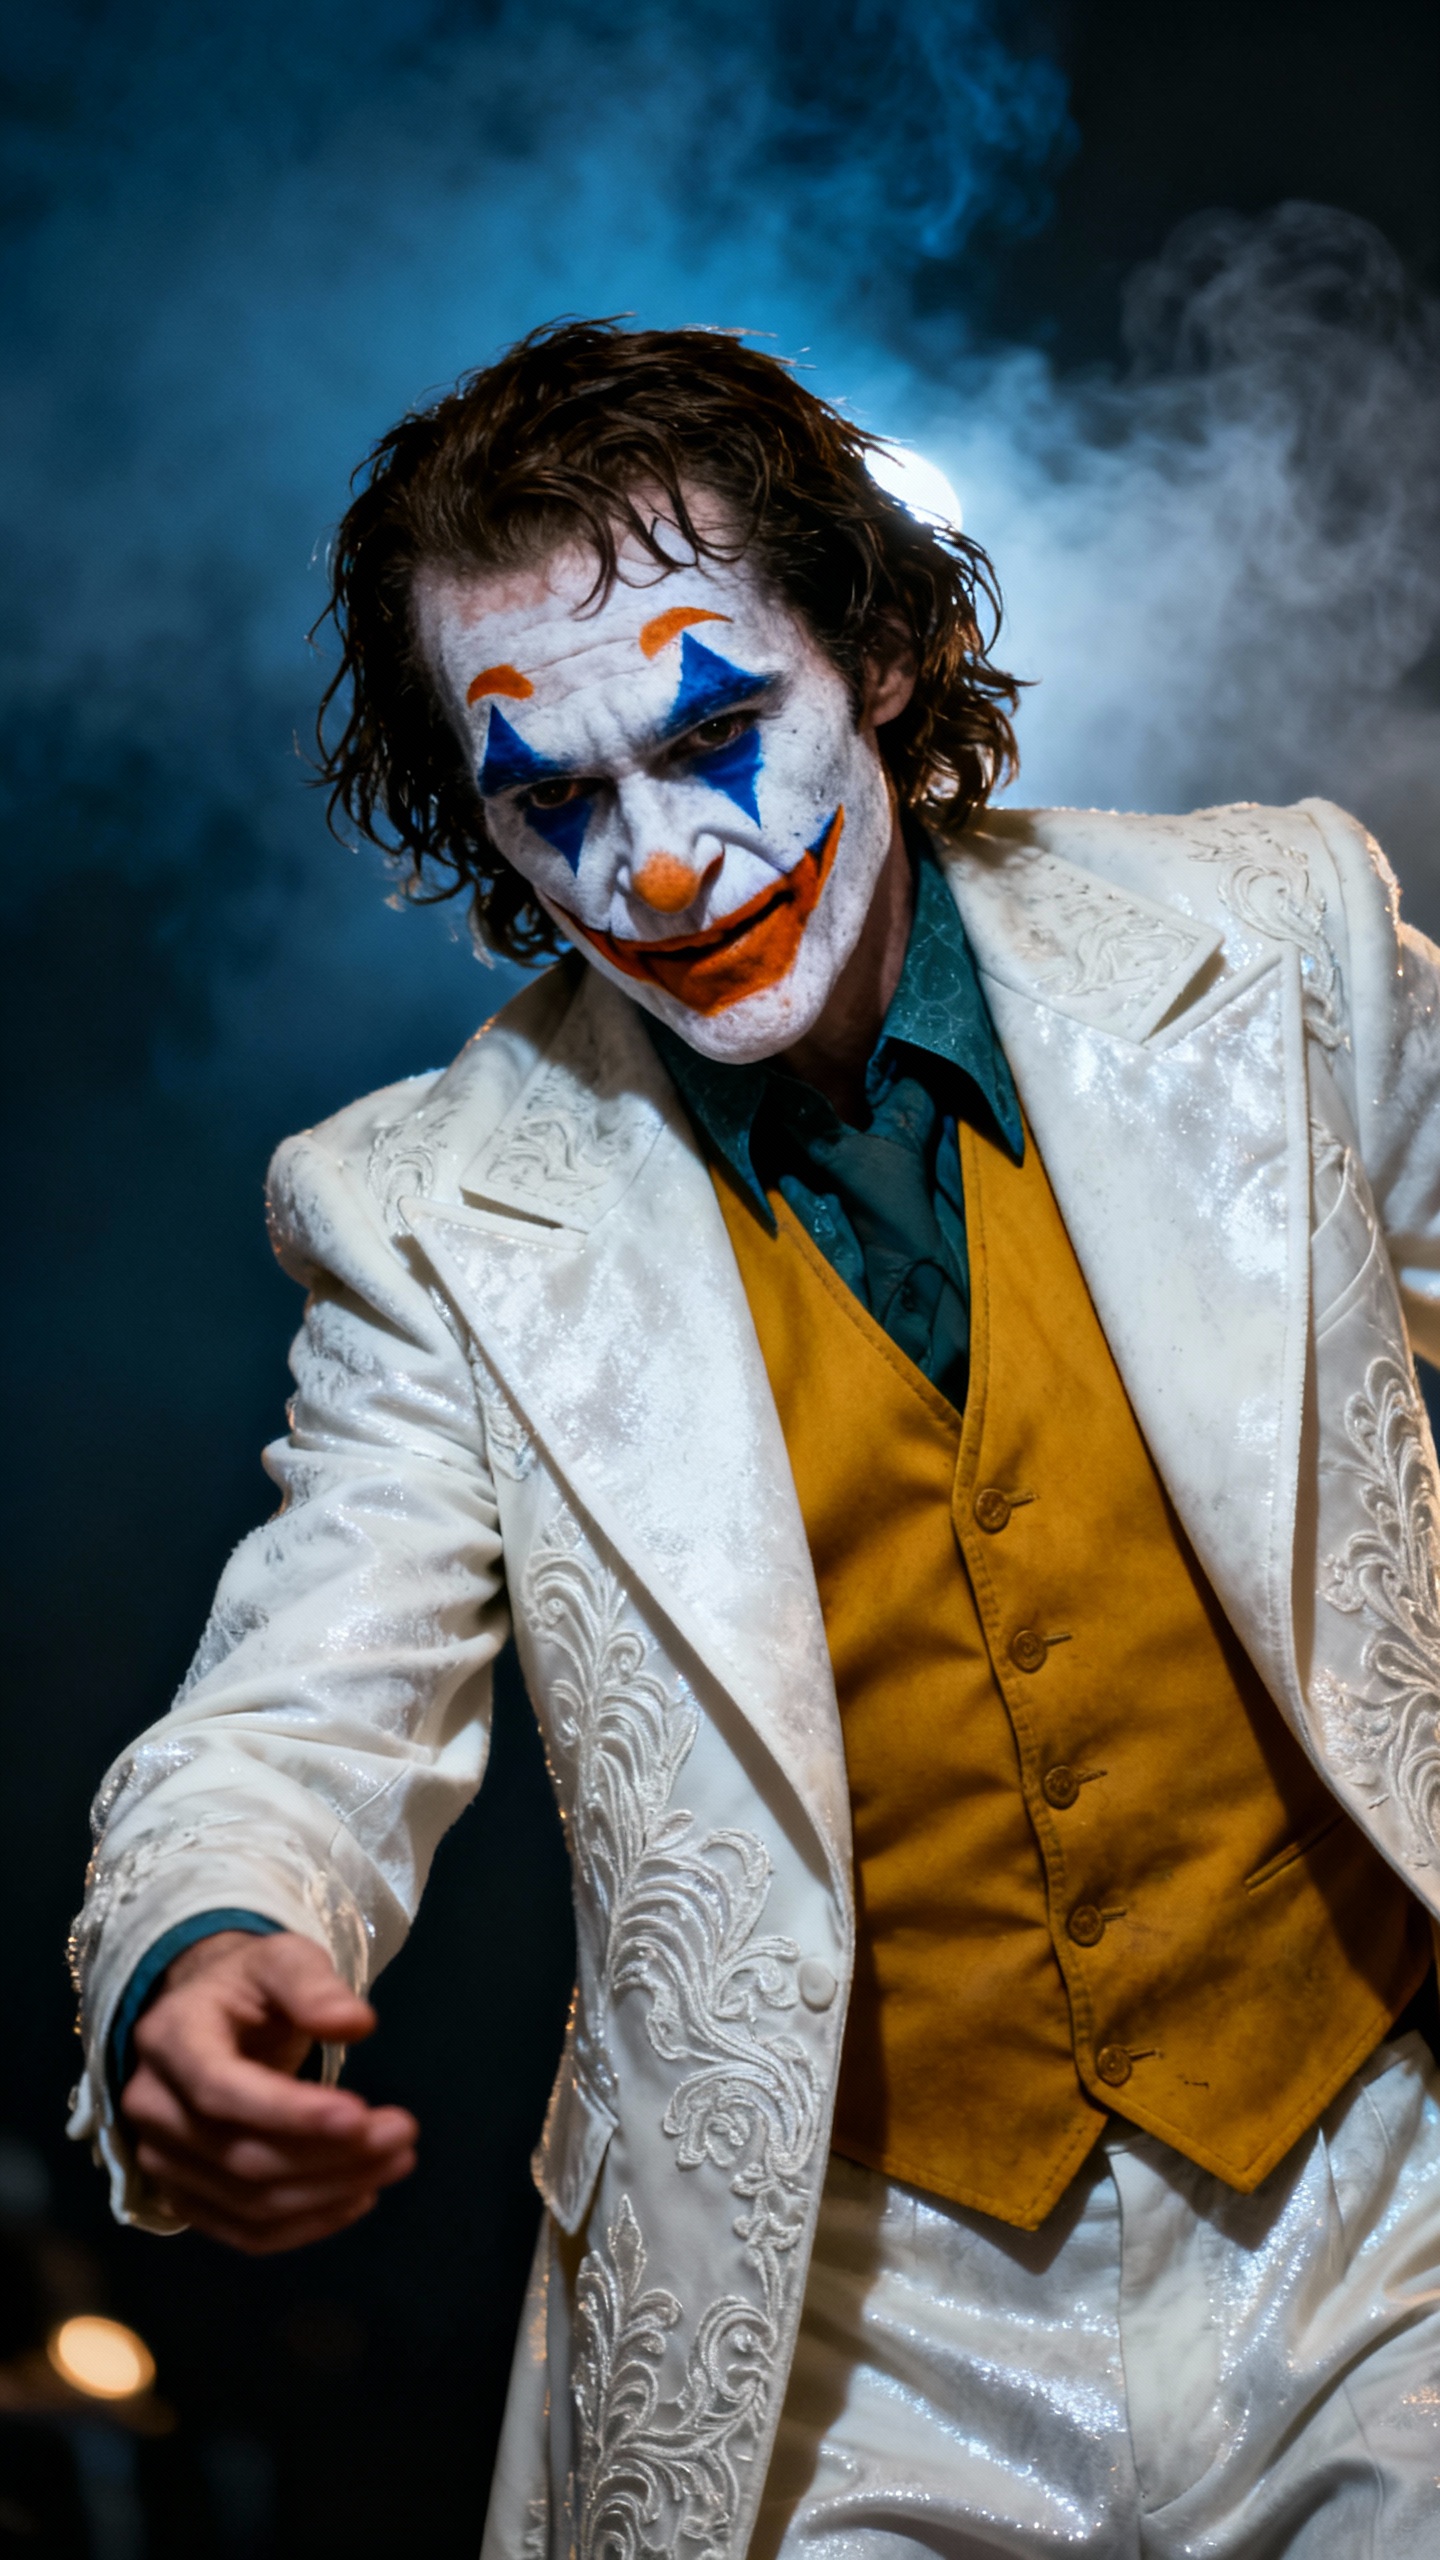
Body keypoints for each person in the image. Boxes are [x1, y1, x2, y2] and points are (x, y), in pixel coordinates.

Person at [69, 320, 1440, 2557]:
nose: (669, 869)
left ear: (882, 646)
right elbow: (304, 1701)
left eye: (718, 732)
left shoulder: (1274, 937)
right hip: (855, 2334)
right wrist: (206, 1943)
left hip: (1391, 2220)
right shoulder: (424, 1214)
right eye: (560, 798)